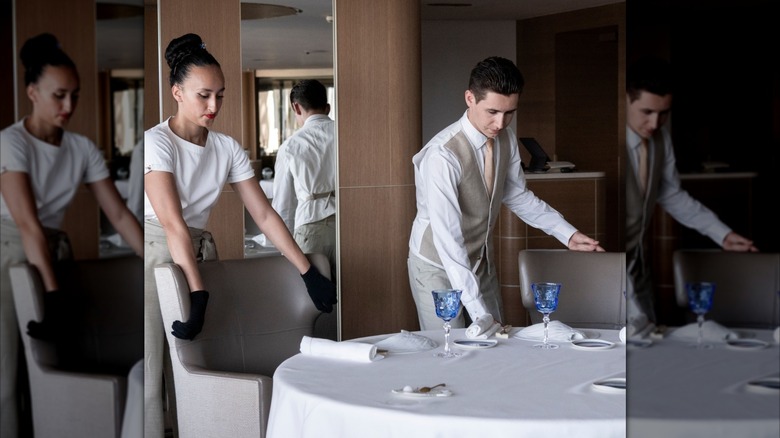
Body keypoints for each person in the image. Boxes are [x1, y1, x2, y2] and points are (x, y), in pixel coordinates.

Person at [143, 33, 337, 437]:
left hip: (198, 248)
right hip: (157, 250)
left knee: (198, 361)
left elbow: (264, 214)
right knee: (153, 369)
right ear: (177, 92)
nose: (214, 106)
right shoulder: (157, 143)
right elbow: (173, 224)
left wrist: (306, 271)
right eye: (203, 96)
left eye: (221, 95)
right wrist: (198, 294)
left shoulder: (227, 148)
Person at [0, 33, 143, 438]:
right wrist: (53, 292)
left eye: (75, 96)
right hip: (9, 248)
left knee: (55, 361)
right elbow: (27, 224)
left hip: (52, 251)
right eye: (59, 95)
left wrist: (152, 259)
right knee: (7, 372)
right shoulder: (11, 143)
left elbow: (117, 213)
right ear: (32, 92)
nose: (68, 106)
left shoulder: (82, 148)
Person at [407, 56, 604, 331]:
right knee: (450, 347)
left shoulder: (506, 138)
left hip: (480, 259)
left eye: (509, 112)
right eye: (492, 112)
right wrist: (479, 315)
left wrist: (567, 234)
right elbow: (449, 241)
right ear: (469, 98)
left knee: (497, 342)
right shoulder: (442, 156)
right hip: (437, 263)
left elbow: (516, 195)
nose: (501, 123)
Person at [625, 56, 758, 325]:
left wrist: (722, 234)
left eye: (663, 114)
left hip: (637, 263)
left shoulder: (660, 138)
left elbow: (671, 194)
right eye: (646, 112)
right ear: (625, 99)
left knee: (649, 338)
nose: (654, 123)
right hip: (608, 266)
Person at [272, 79, 336, 276]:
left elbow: (283, 205)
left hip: (310, 228)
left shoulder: (290, 146)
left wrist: (284, 249)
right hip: (349, 226)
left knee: (311, 301)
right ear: (327, 107)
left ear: (296, 107)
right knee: (350, 296)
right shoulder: (347, 135)